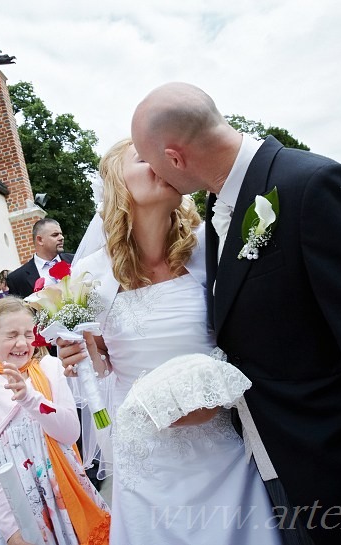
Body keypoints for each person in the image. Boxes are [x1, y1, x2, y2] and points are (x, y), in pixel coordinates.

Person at [122, 82, 341, 544]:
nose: (153, 174)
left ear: (175, 157)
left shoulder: (314, 187)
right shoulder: (221, 210)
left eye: (150, 161)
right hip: (286, 472)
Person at [59, 138, 280, 544]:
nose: (160, 164)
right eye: (143, 159)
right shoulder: (90, 276)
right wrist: (75, 352)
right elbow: (97, 364)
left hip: (224, 451)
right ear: (116, 184)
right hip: (150, 465)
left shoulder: (208, 251)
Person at [0, 298, 109, 545]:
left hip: (66, 493)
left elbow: (70, 432)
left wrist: (30, 399)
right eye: (11, 335)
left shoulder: (49, 367)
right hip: (23, 509)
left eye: (28, 334)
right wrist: (11, 531)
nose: (22, 343)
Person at [6, 219, 73, 298]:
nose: (61, 237)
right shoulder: (17, 278)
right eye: (55, 235)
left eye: (61, 234)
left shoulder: (75, 260)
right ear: (40, 240)